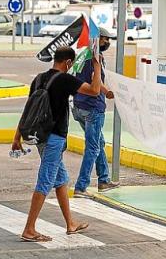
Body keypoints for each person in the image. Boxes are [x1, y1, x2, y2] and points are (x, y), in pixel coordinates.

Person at [12, 46, 101, 242]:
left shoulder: (38, 79)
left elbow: (28, 109)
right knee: (45, 180)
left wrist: (16, 137)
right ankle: (29, 229)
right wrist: (97, 66)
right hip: (54, 138)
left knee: (61, 180)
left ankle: (70, 223)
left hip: (40, 136)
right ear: (68, 62)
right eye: (71, 64)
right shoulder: (65, 79)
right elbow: (94, 91)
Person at [72, 27, 116, 197]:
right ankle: (81, 186)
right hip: (92, 108)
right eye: (105, 39)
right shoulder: (95, 58)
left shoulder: (82, 54)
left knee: (99, 142)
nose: (108, 42)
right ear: (97, 40)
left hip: (79, 106)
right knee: (93, 148)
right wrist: (106, 92)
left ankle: (103, 180)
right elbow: (94, 80)